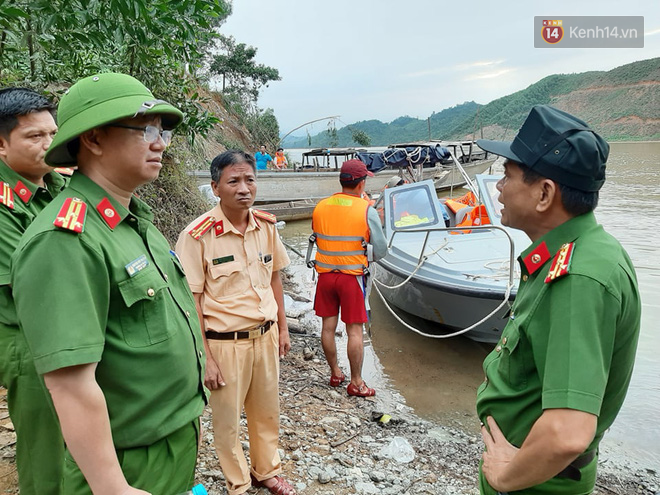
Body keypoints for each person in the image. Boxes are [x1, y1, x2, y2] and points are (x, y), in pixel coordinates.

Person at [10, 73, 207, 495]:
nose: (160, 143)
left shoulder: (134, 220)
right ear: (94, 140)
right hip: (124, 461)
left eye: (163, 132)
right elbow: (69, 383)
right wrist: (111, 486)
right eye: (145, 130)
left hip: (169, 441)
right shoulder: (64, 240)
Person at [475, 105, 641, 494]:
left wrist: (503, 478)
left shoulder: (578, 277)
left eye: (507, 175)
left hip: (535, 484)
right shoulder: (573, 253)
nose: (498, 186)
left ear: (545, 193)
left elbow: (567, 434)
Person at [175, 150, 296, 495]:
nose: (244, 188)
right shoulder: (198, 235)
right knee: (227, 422)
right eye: (234, 181)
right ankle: (239, 483)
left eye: (250, 180)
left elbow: (275, 279)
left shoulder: (266, 227)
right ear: (216, 188)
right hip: (224, 344)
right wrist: (206, 359)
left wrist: (283, 328)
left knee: (266, 412)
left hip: (265, 337)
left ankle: (265, 471)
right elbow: (192, 300)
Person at [0, 87, 66, 494]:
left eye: (53, 134)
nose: (48, 145)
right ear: (2, 145)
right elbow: (37, 286)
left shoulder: (57, 185)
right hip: (26, 336)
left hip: (65, 323)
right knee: (45, 446)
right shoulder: (4, 204)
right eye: (34, 137)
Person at [308, 159, 387, 397]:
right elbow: (381, 250)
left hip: (325, 276)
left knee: (328, 328)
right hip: (351, 278)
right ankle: (356, 382)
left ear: (341, 181)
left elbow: (317, 237)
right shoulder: (367, 210)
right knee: (354, 331)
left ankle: (335, 373)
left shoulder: (321, 206)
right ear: (361, 184)